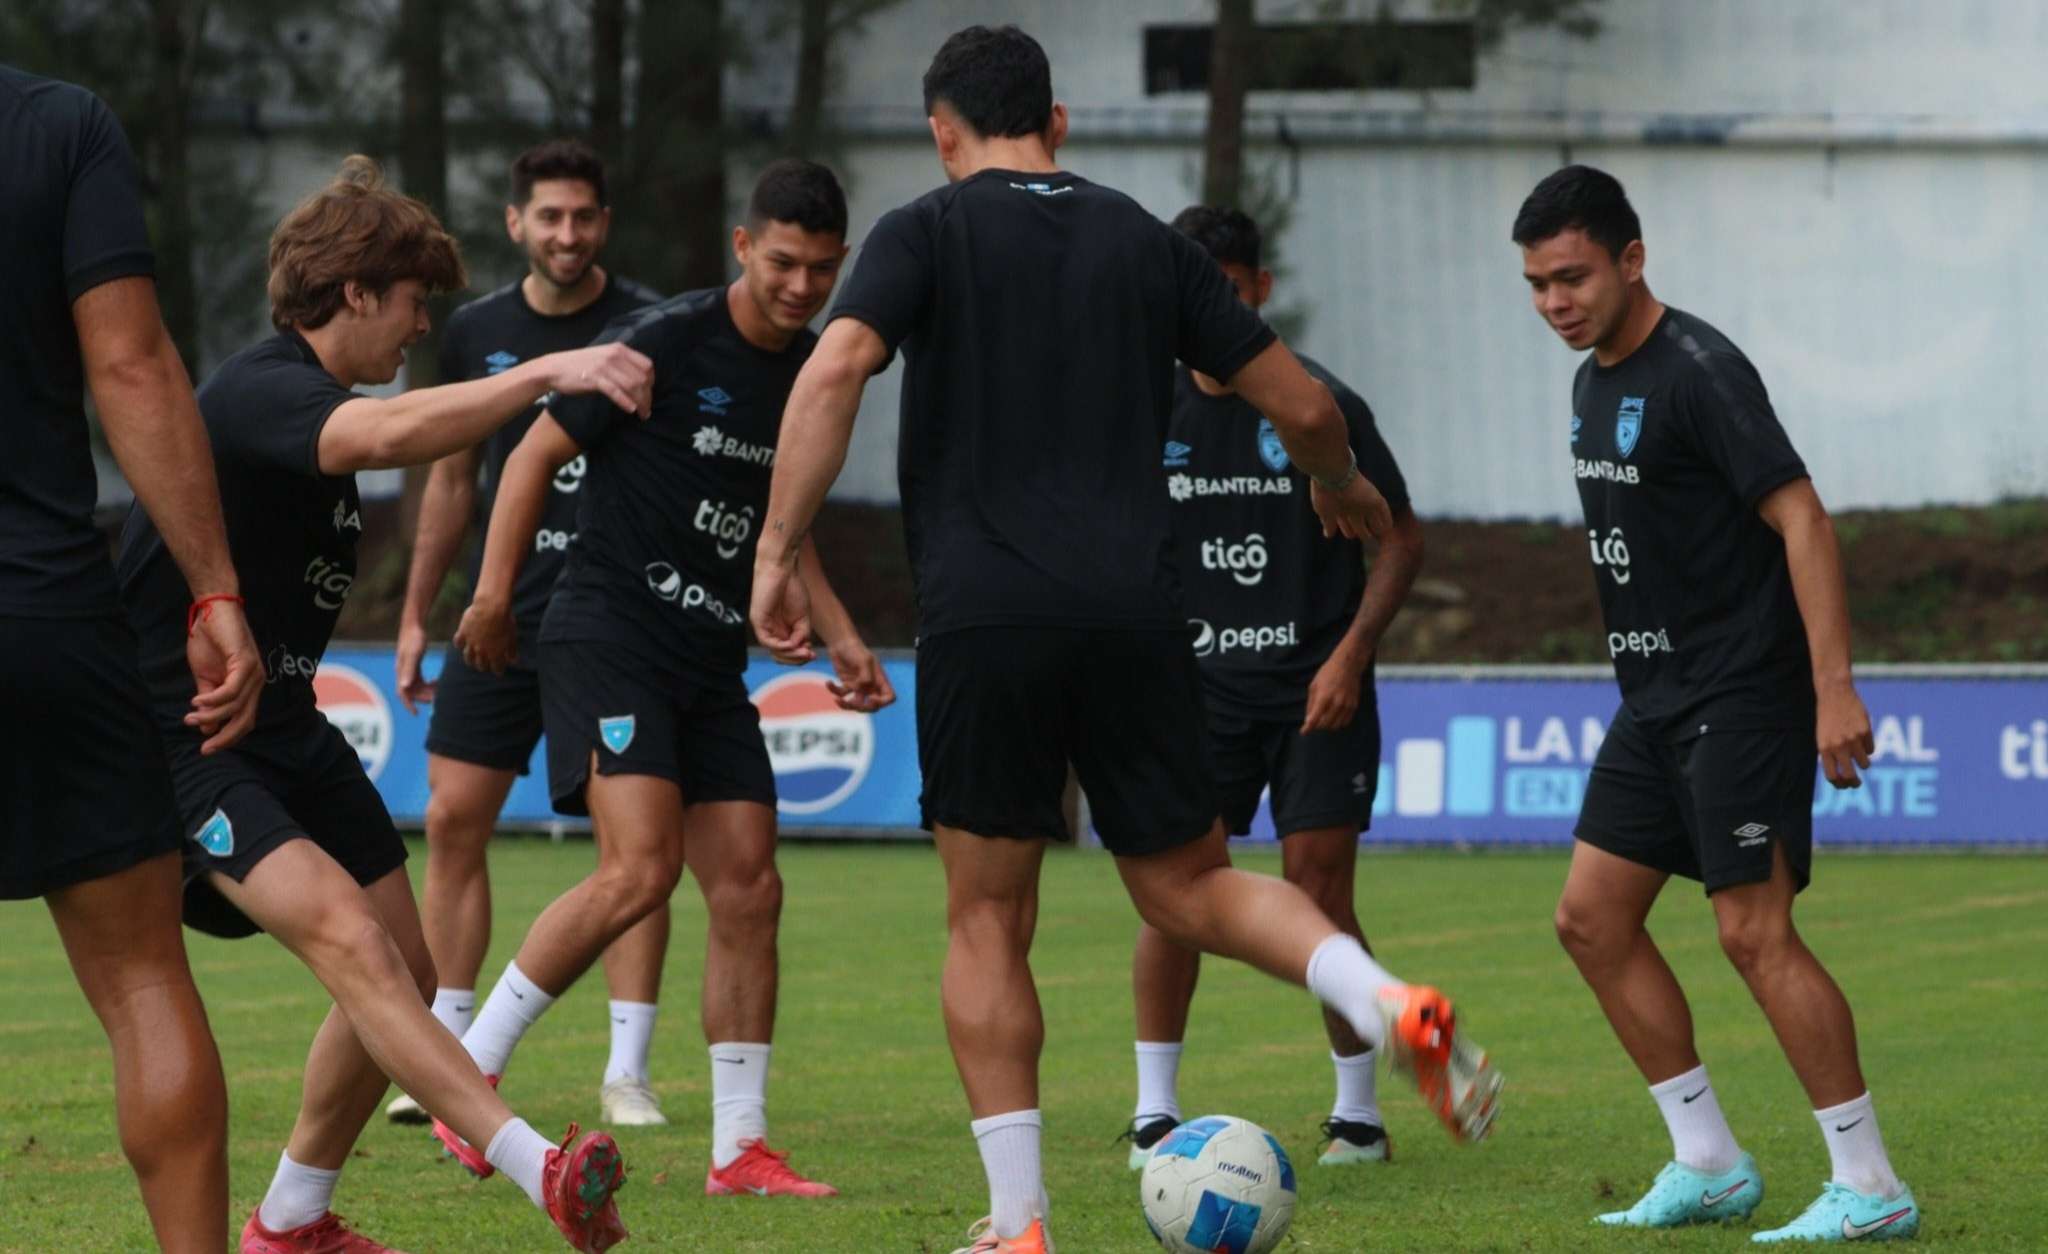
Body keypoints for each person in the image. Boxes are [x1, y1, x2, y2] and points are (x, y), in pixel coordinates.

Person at [751, 27, 1502, 1254]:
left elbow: (833, 371)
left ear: (943, 134)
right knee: (1192, 884)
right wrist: (1338, 486)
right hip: (1142, 621)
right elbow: (1305, 407)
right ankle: (1383, 997)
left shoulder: (923, 233)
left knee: (987, 919)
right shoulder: (1145, 242)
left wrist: (778, 551)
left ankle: (1019, 1223)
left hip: (987, 616)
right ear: (1057, 117)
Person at [114, 155, 649, 1254]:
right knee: (355, 945)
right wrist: (549, 370)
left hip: (291, 728)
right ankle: (536, 1167)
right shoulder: (263, 389)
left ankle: (292, 1220)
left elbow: (391, 434)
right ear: (354, 290)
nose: (419, 329)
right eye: (411, 304)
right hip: (194, 738)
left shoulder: (317, 406)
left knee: (408, 969)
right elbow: (397, 436)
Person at [447, 157, 888, 1201]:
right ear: (742, 246)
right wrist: (492, 595)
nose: (800, 286)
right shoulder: (664, 342)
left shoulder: (819, 372)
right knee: (638, 870)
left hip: (706, 656)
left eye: (822, 270)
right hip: (608, 634)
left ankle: (739, 1151)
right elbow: (527, 459)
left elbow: (788, 520)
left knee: (749, 885)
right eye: (783, 262)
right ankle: (466, 1083)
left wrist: (839, 634)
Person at [1514, 164, 1918, 1243]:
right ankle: (1706, 1159)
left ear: (1630, 259)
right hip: (1652, 699)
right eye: (1537, 286)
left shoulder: (1698, 370)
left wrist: (1831, 689)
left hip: (1741, 693)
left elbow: (1803, 520)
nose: (1555, 302)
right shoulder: (1589, 377)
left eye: (1572, 277)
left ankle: (1868, 1184)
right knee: (1589, 921)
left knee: (1753, 932)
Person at [0, 62, 264, 1254]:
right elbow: (132, 366)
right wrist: (211, 585)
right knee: (142, 980)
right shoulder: (59, 127)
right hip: (45, 610)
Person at [1122, 206, 1427, 1171]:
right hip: (1190, 696)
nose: (1204, 308)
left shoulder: (1317, 405)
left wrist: (1350, 655)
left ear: (1255, 290)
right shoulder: (1142, 409)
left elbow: (1402, 537)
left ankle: (1357, 1118)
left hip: (1312, 689)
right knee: (1175, 898)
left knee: (1317, 887)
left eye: (1222, 288)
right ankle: (1154, 1112)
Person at [384, 138, 671, 1130]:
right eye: (547, 216)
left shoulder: (649, 325)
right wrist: (421, 610)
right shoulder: (473, 332)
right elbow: (453, 479)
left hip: (612, 615)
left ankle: (626, 1068)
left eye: (583, 216)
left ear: (603, 223)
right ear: (514, 223)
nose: (565, 233)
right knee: (455, 816)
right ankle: (446, 1048)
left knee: (630, 840)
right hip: (494, 611)